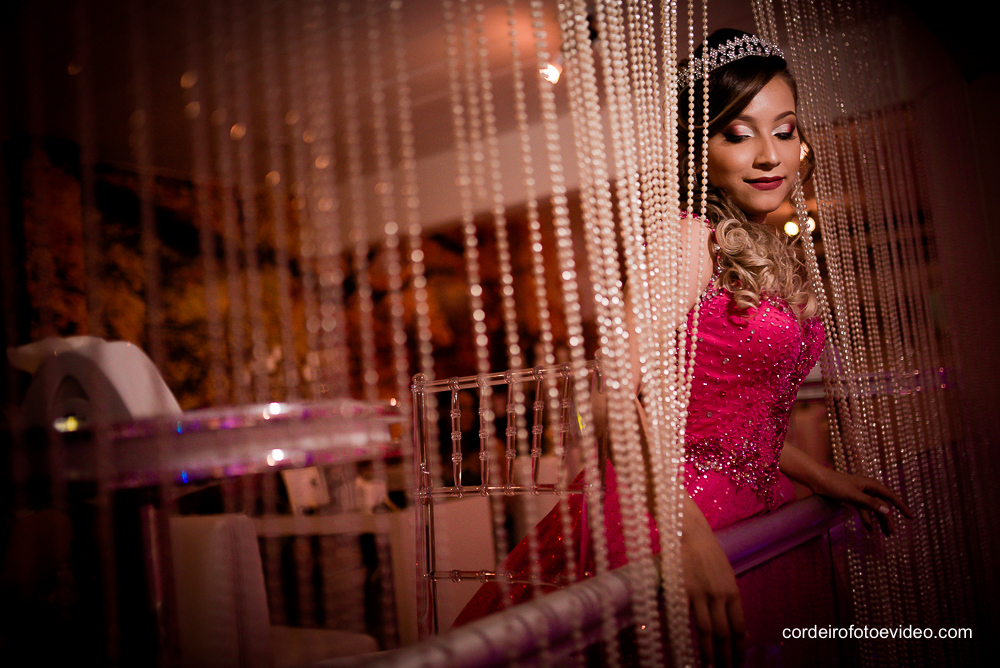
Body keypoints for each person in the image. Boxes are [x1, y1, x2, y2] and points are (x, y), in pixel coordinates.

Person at [453, 29, 911, 666]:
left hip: (752, 503)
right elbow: (609, 396)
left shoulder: (758, 245)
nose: (769, 155)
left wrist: (822, 477)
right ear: (699, 148)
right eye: (737, 134)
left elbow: (725, 424)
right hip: (678, 510)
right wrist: (684, 534)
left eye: (784, 130)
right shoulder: (688, 237)